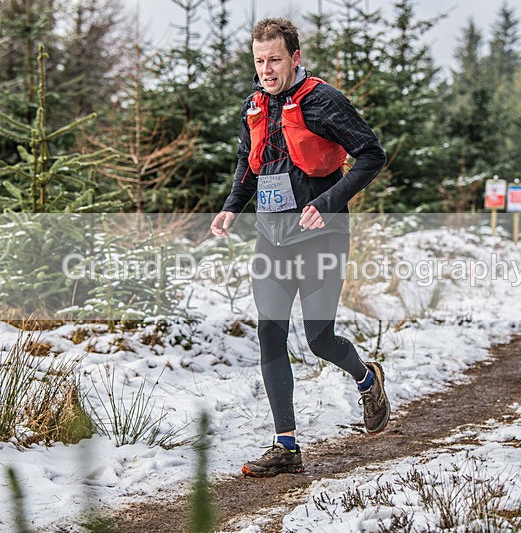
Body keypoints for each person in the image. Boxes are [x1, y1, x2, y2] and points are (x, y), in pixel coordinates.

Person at [210, 17, 389, 477]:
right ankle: (285, 445)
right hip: (271, 238)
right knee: (269, 333)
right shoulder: (254, 105)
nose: (266, 70)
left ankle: (366, 377)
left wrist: (327, 203)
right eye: (259, 61)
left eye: (274, 60)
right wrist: (231, 207)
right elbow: (247, 163)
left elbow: (372, 155)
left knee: (319, 339)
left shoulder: (323, 100)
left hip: (321, 236)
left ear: (295, 57)